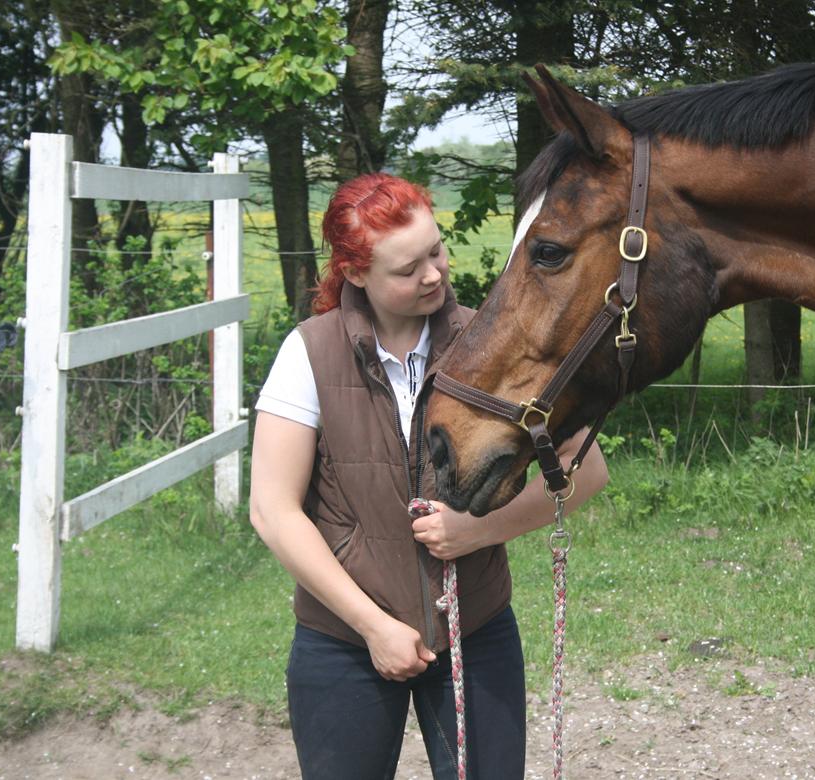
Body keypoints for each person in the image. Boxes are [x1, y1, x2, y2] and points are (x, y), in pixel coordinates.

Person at [248, 172, 609, 779]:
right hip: (341, 642)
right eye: (407, 268)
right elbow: (273, 511)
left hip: (478, 630)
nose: (435, 274)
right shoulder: (309, 353)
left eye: (436, 251)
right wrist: (373, 627)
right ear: (356, 273)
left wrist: (480, 530)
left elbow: (587, 469)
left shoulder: (493, 342)